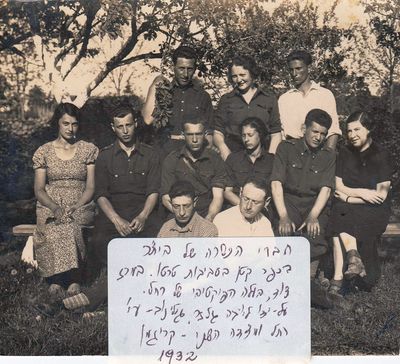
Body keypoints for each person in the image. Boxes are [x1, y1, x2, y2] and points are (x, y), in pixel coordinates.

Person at [270, 108, 343, 309]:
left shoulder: (329, 155)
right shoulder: (286, 148)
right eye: (315, 131)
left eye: (323, 134)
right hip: (290, 201)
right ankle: (284, 282)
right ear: (304, 129)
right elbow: (276, 184)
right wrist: (283, 216)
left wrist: (313, 216)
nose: (318, 137)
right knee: (284, 232)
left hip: (314, 203)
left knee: (315, 232)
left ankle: (309, 280)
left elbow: (326, 190)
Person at [87, 105, 160, 280]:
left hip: (143, 213)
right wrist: (116, 220)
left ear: (136, 123)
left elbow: (153, 191)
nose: (125, 131)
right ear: (113, 128)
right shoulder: (104, 157)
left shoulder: (151, 155)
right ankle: (123, 277)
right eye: (120, 127)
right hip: (114, 214)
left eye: (129, 125)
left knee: (154, 242)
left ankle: (134, 279)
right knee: (98, 242)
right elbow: (101, 195)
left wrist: (143, 216)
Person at [32, 102, 99, 296]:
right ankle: (55, 278)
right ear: (57, 124)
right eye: (66, 123)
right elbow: (39, 188)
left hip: (81, 202)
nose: (70, 129)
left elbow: (91, 186)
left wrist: (76, 205)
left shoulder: (88, 150)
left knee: (71, 224)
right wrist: (54, 208)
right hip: (50, 203)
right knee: (54, 224)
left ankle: (72, 278)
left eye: (74, 124)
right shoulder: (43, 152)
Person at [328, 111, 393, 295]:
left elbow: (380, 196)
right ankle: (347, 266)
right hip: (349, 206)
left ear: (369, 129)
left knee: (369, 281)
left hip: (375, 211)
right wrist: (362, 193)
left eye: (357, 129)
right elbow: (338, 185)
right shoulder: (345, 152)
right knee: (339, 210)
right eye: (349, 131)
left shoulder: (381, 155)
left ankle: (345, 271)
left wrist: (348, 197)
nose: (352, 135)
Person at [142, 44, 213, 155]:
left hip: (192, 153)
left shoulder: (203, 96)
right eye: (181, 68)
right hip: (164, 151)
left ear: (194, 69)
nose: (185, 74)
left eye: (189, 69)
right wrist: (154, 85)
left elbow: (208, 132)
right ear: (173, 67)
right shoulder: (163, 91)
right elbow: (147, 119)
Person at [213, 55, 282, 161]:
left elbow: (276, 133)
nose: (239, 79)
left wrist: (269, 160)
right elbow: (218, 132)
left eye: (242, 75)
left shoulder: (269, 99)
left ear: (252, 74)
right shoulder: (226, 100)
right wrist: (227, 155)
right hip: (234, 157)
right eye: (234, 76)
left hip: (262, 158)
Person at [161, 117, 227, 222]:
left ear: (205, 134)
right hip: (180, 213)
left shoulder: (215, 159)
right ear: (183, 135)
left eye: (198, 134)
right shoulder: (172, 159)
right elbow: (165, 198)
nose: (195, 139)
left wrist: (209, 218)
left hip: (208, 211)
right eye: (190, 135)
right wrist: (183, 215)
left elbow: (218, 197)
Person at [278, 50, 341, 150]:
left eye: (298, 68)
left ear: (309, 68)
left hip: (318, 152)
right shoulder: (284, 99)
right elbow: (281, 135)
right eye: (291, 70)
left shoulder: (325, 95)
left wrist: (326, 158)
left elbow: (333, 131)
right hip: (292, 153)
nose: (294, 73)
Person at [224, 117, 274, 206]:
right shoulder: (233, 159)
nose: (246, 139)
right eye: (244, 135)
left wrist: (257, 208)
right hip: (236, 207)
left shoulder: (272, 161)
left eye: (250, 135)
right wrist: (245, 206)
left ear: (260, 135)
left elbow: (274, 191)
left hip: (263, 209)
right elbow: (227, 192)